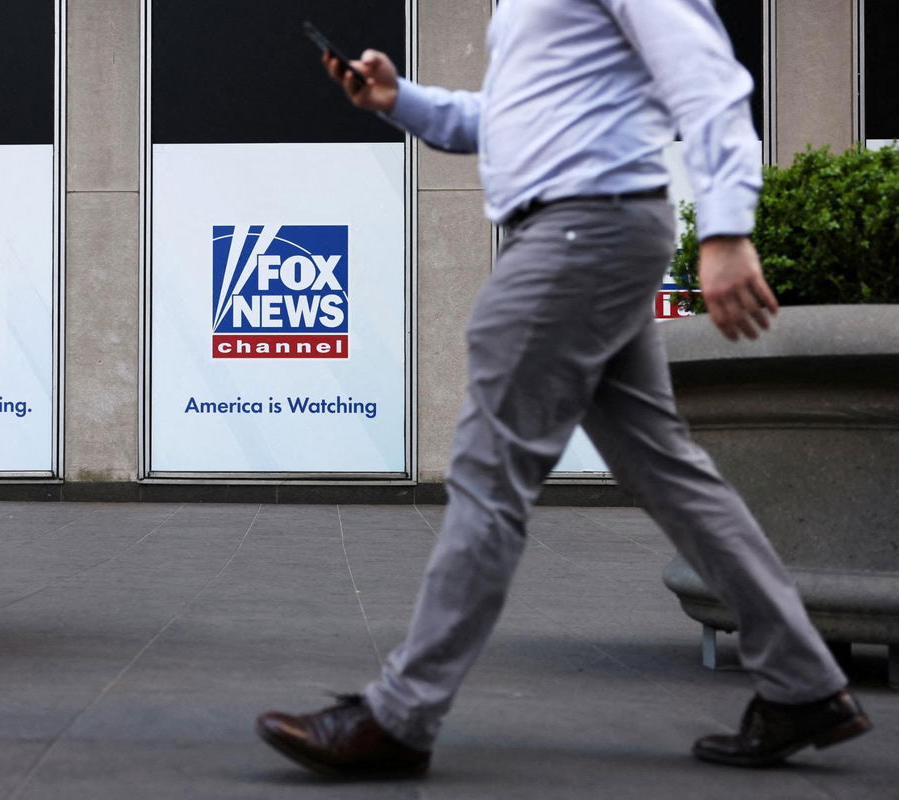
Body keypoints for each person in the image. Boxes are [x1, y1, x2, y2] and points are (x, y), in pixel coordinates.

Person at [255, 0, 872, 778]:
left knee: (489, 472)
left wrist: (726, 226)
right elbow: (515, 120)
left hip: (579, 234)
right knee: (668, 471)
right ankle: (803, 683)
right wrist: (398, 99)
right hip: (590, 229)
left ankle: (400, 714)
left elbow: (708, 80)